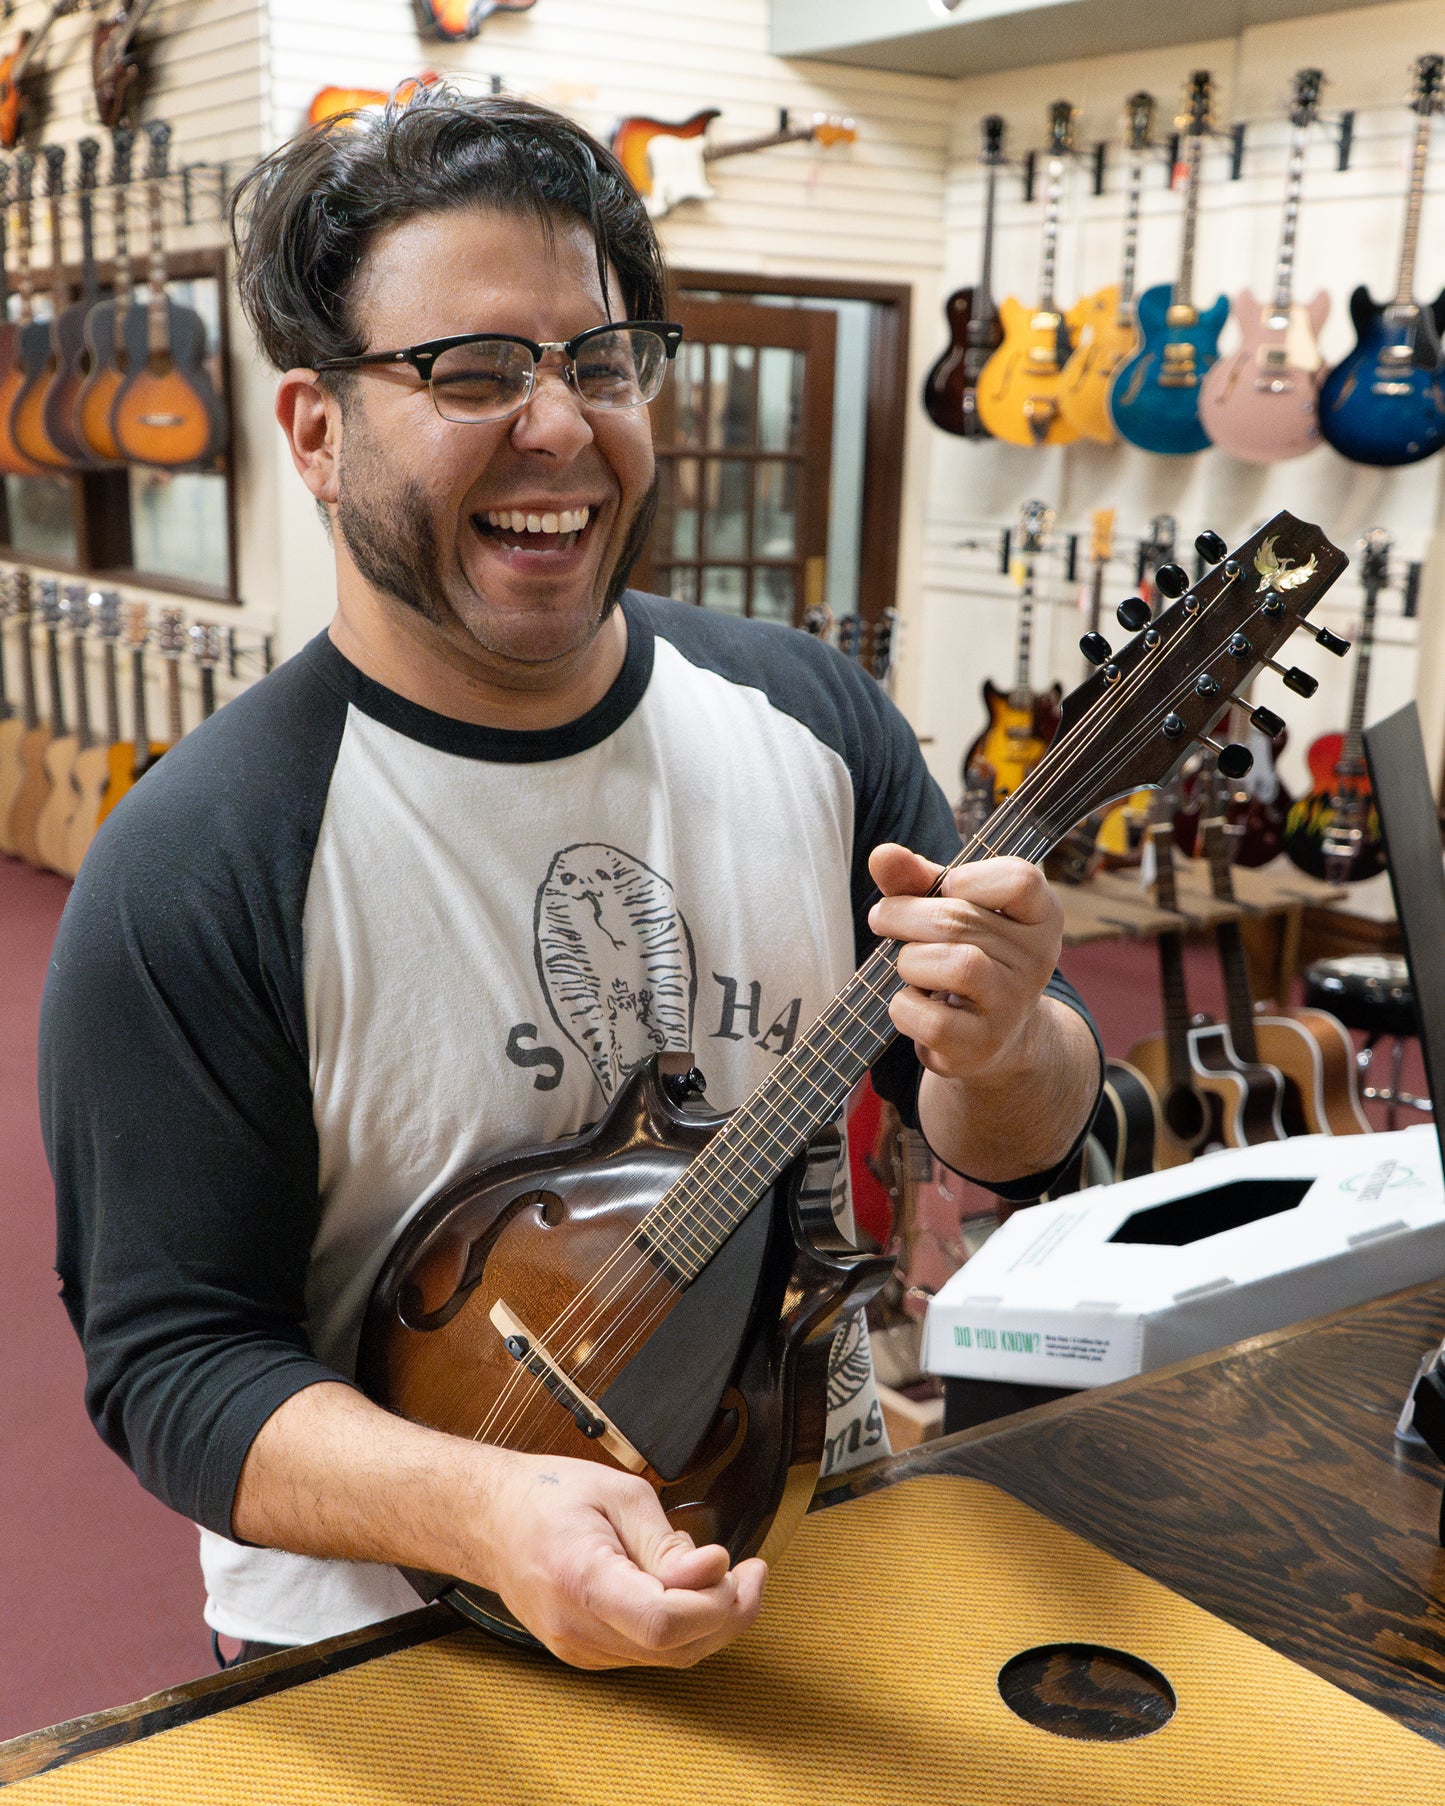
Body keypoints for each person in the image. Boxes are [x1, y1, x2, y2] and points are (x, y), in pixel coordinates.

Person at [40, 90, 1102, 1674]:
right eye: (470, 372)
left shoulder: (809, 718)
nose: (558, 426)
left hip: (813, 1522)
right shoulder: (200, 862)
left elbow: (1012, 1140)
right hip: (391, 1642)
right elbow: (173, 1361)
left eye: (598, 363)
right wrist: (486, 1511)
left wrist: (1014, 1043)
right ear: (317, 432)